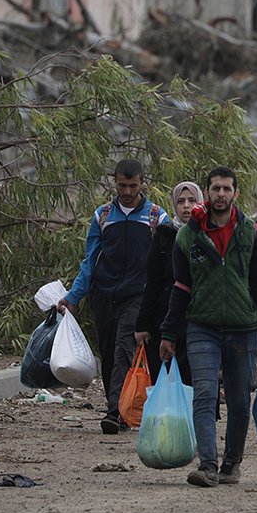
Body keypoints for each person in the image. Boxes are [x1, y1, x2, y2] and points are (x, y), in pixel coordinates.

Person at [159, 166, 257, 487]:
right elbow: (180, 288)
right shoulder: (188, 236)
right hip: (202, 327)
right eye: (215, 188)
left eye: (226, 189)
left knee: (241, 399)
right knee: (204, 393)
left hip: (244, 329)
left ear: (235, 194)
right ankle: (208, 464)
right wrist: (169, 334)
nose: (221, 194)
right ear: (208, 191)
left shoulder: (251, 232)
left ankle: (232, 463)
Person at [58, 158, 168, 435]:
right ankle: (120, 405)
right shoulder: (103, 216)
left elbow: (167, 262)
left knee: (123, 350)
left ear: (143, 182)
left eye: (133, 185)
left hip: (138, 297)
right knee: (108, 353)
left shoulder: (156, 217)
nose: (128, 191)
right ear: (115, 182)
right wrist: (74, 296)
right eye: (122, 185)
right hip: (104, 296)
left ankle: (115, 412)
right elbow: (90, 260)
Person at [134, 181, 201, 384]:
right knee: (163, 378)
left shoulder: (207, 235)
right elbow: (152, 283)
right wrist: (143, 324)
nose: (186, 206)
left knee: (196, 378)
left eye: (192, 200)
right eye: (181, 201)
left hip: (199, 318)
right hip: (165, 317)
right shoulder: (164, 235)